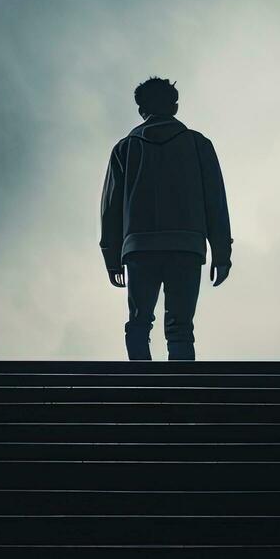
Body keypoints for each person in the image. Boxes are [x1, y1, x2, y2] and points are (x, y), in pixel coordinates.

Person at [98, 76, 232, 361]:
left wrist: (111, 255)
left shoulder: (125, 147)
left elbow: (110, 208)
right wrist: (222, 252)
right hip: (186, 244)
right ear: (175, 106)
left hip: (139, 247)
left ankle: (140, 389)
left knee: (138, 322)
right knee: (180, 326)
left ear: (140, 109)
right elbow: (215, 202)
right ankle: (181, 392)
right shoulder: (198, 144)